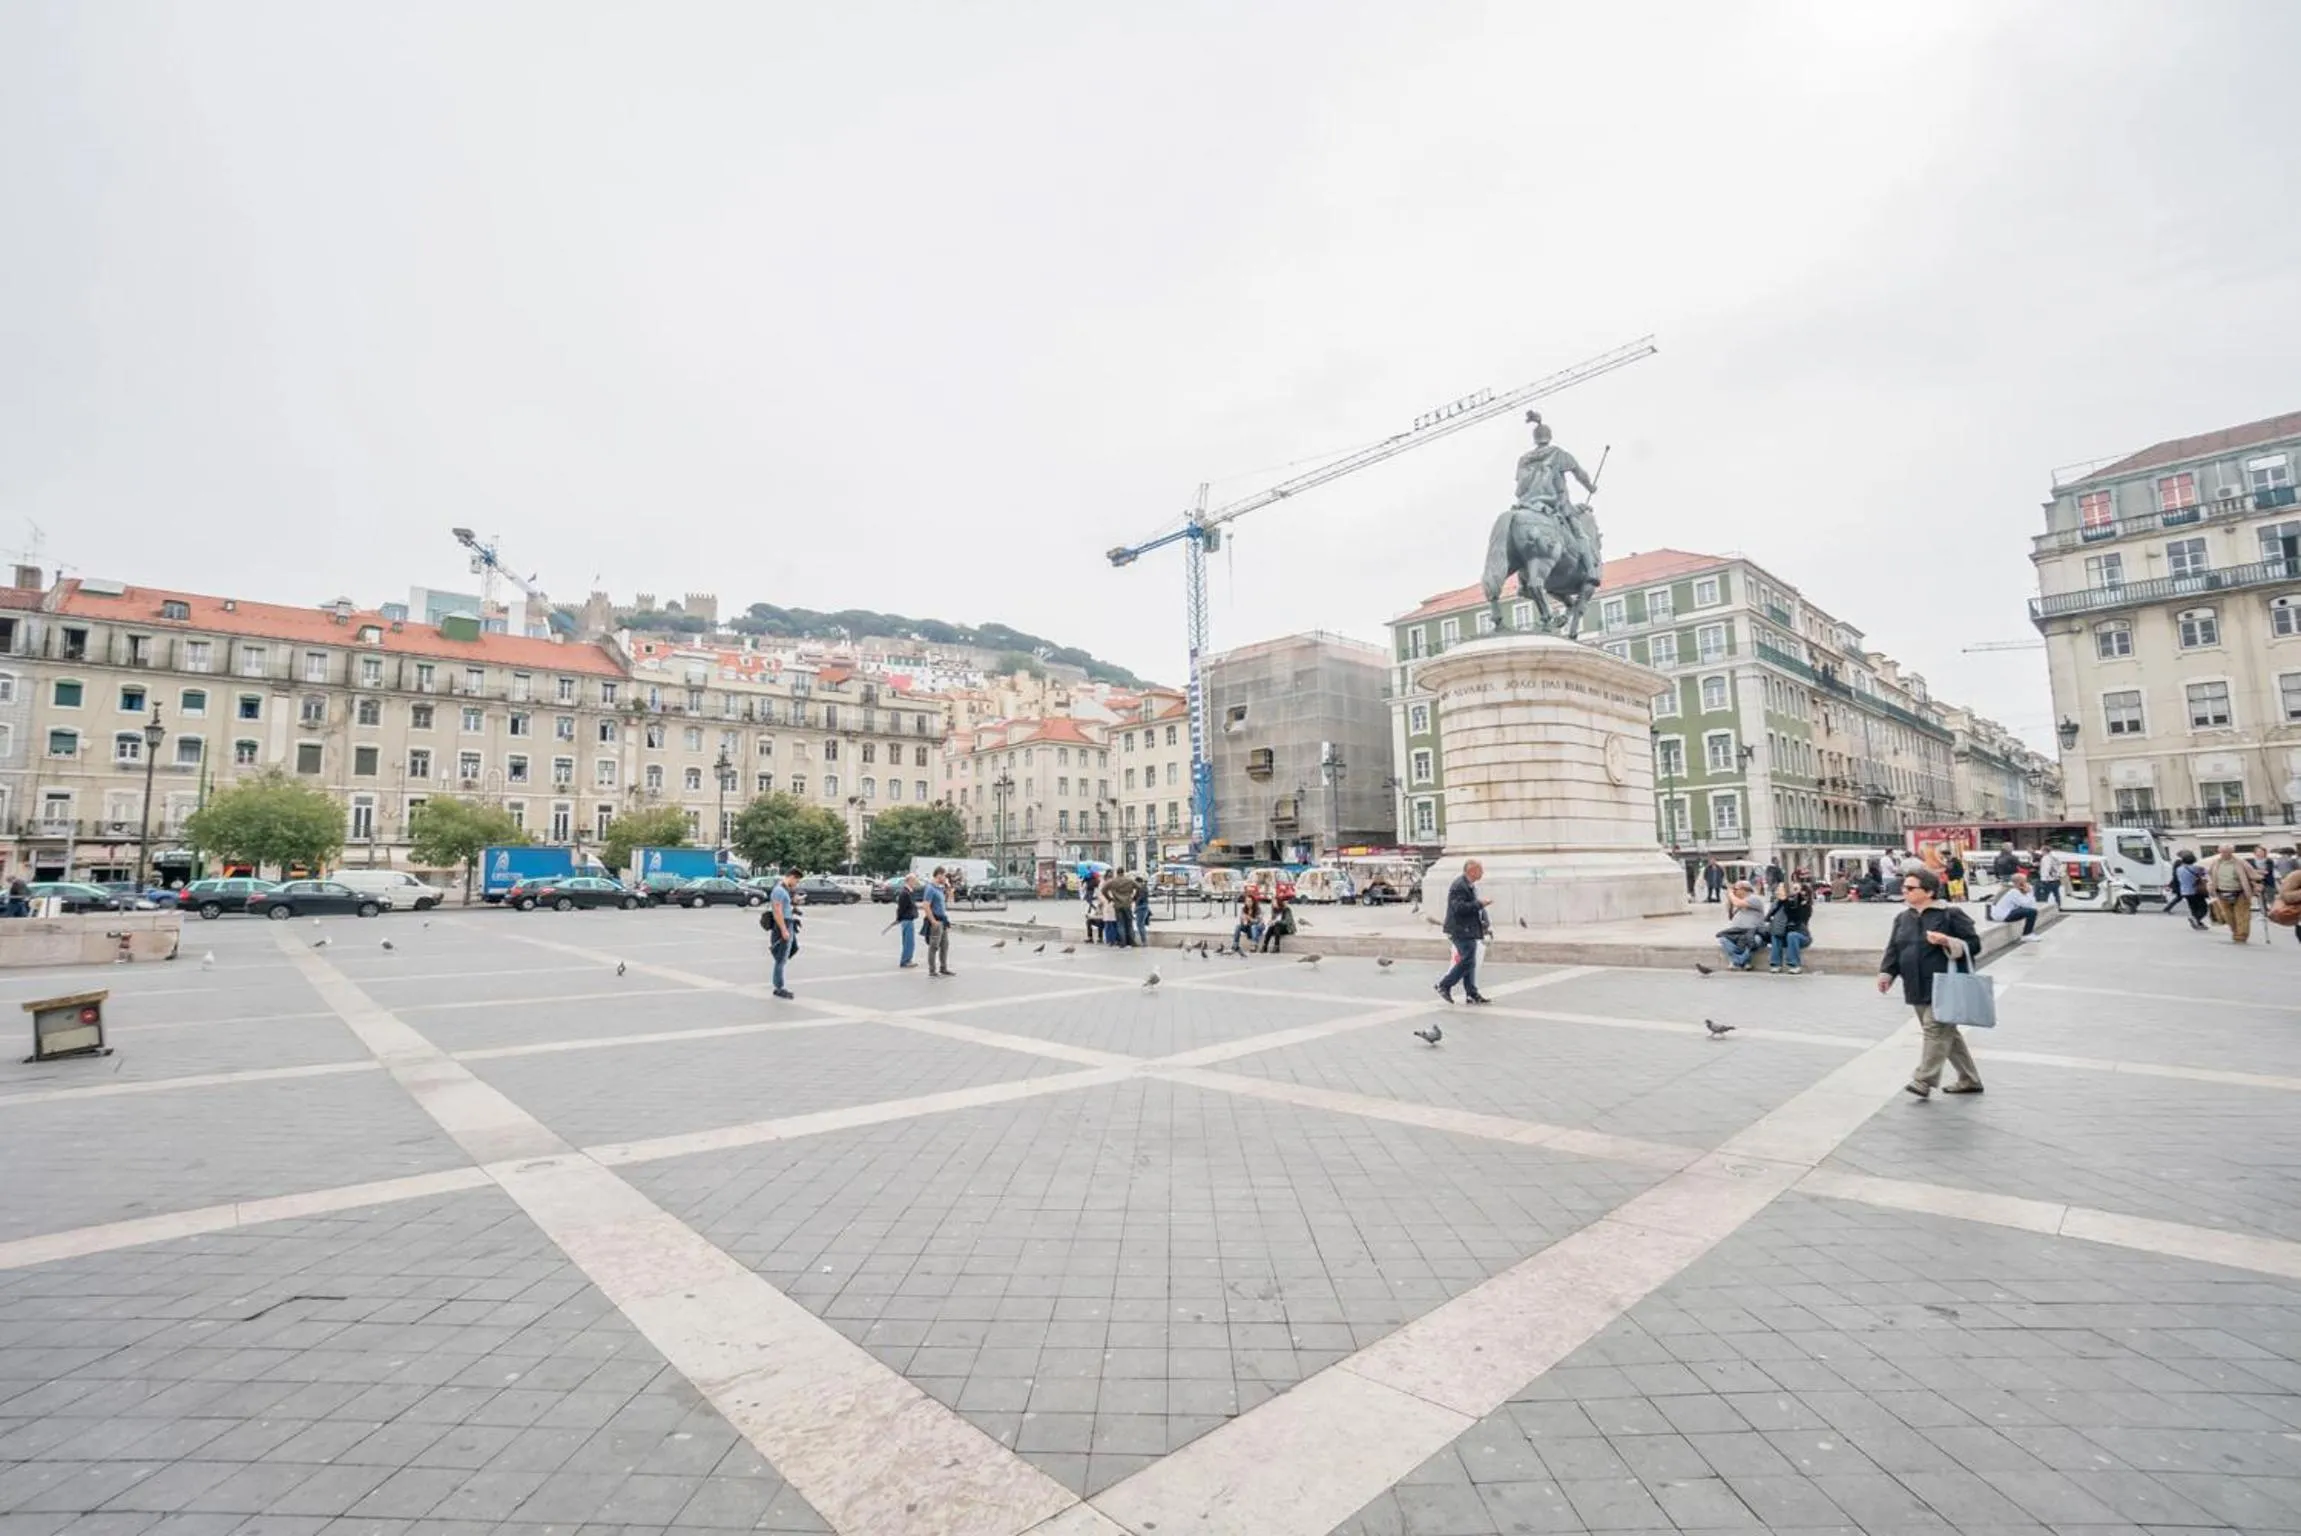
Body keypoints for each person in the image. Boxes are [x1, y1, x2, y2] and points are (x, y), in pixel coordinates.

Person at [1878, 866, 1984, 1100]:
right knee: (1947, 1034)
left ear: (1928, 892)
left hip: (1945, 984)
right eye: (1904, 887)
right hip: (1915, 985)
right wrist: (1887, 973)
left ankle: (1923, 1080)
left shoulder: (1950, 914)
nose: (1904, 891)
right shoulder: (1903, 918)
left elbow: (1974, 944)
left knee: (1935, 1030)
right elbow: (1894, 948)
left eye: (1910, 888)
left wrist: (1947, 941)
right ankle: (1969, 1079)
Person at [1435, 860, 1491, 1003]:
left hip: (1468, 929)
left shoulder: (1469, 885)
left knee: (1470, 960)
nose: (1483, 873)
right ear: (1472, 871)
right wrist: (1480, 904)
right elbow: (1459, 908)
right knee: (1468, 960)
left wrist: (1484, 921)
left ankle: (1471, 993)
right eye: (1480, 870)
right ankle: (1444, 985)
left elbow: (1473, 907)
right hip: (1460, 929)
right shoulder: (1459, 886)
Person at [2206, 843, 2259, 945]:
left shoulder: (2240, 862)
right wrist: (2210, 886)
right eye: (2222, 852)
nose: (2224, 854)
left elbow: (2252, 874)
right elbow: (2210, 875)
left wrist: (2257, 881)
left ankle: (2242, 935)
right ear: (2219, 851)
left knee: (2242, 915)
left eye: (2227, 852)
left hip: (2240, 893)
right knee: (2228, 916)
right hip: (2221, 892)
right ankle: (2235, 932)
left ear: (2232, 852)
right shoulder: (2216, 862)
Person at [1766, 873, 1814, 974]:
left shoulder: (1805, 906)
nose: (1794, 892)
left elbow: (1798, 917)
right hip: (1784, 934)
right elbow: (1768, 916)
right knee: (1776, 935)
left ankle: (1795, 965)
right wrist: (1781, 901)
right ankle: (1775, 964)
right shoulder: (1781, 903)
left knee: (1792, 935)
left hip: (1801, 935)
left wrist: (1788, 901)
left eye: (1797, 889)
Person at [1715, 882, 1767, 971]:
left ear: (1744, 889)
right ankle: (1744, 961)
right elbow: (1730, 914)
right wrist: (1729, 898)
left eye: (1736, 889)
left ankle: (1737, 961)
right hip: (1736, 932)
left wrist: (1730, 893)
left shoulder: (1754, 898)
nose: (1734, 891)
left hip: (1752, 932)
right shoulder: (1736, 901)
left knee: (1756, 940)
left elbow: (1738, 903)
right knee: (1723, 939)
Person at [766, 871, 801, 1000]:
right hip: (783, 923)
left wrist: (794, 902)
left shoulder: (785, 890)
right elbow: (777, 911)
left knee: (793, 948)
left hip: (788, 922)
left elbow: (785, 907)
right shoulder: (779, 890)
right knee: (780, 958)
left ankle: (780, 962)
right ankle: (779, 987)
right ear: (792, 877)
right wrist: (783, 929)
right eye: (796, 881)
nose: (796, 884)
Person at [1988, 870, 2042, 941]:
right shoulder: (2014, 891)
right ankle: (2027, 934)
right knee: (2032, 912)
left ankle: (2028, 934)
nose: (2027, 883)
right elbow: (2029, 906)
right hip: (2003, 916)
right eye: (2025, 882)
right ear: (2020, 883)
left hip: (1998, 914)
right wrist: (2029, 892)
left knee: (2026, 910)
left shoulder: (2008, 888)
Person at [922, 866, 955, 977]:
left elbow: (948, 900)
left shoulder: (939, 888)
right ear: (939, 875)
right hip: (936, 920)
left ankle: (943, 967)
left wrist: (948, 887)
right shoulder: (930, 888)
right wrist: (932, 920)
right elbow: (926, 906)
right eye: (944, 875)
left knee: (945, 945)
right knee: (934, 946)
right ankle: (932, 970)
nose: (945, 878)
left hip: (943, 919)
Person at [894, 875, 921, 969]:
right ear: (909, 881)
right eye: (914, 881)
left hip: (908, 919)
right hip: (907, 919)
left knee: (909, 941)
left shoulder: (908, 892)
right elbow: (901, 908)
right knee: (908, 942)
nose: (915, 883)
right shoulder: (905, 893)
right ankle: (905, 961)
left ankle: (907, 960)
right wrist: (899, 918)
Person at [1231, 885, 1263, 954]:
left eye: (1249, 901)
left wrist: (1249, 918)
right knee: (1238, 926)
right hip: (1248, 927)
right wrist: (1243, 920)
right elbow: (1242, 921)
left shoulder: (1258, 909)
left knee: (1253, 927)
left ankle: (1254, 945)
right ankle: (1235, 944)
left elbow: (1257, 921)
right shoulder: (1244, 909)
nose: (1248, 903)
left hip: (1257, 927)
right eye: (1246, 901)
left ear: (1253, 902)